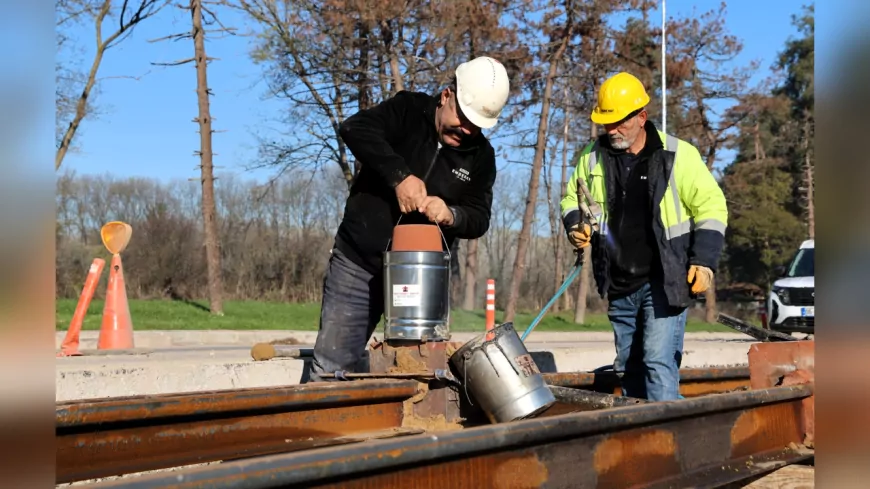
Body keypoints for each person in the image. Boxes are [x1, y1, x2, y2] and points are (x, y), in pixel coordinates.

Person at [309, 56, 511, 382]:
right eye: (462, 118)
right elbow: (354, 128)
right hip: (359, 264)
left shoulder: (481, 157)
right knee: (332, 369)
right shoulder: (407, 110)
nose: (466, 130)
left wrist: (452, 214)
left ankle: (411, 432)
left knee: (417, 374)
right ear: (447, 96)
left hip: (420, 280)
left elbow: (479, 217)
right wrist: (399, 176)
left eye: (477, 126)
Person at [560, 72, 728, 401]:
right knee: (627, 367)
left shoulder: (679, 155)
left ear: (641, 117)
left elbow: (712, 207)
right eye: (606, 123)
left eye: (620, 122)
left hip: (664, 281)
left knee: (657, 362)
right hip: (620, 281)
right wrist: (576, 224)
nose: (612, 130)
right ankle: (638, 439)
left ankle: (669, 443)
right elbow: (572, 199)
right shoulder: (591, 157)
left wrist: (704, 261)